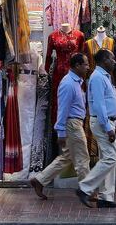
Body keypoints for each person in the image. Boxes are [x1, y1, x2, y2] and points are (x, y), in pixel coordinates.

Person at [29, 53, 90, 199]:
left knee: (67, 156)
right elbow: (63, 109)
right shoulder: (69, 83)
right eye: (85, 64)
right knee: (82, 158)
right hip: (72, 124)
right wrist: (61, 131)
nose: (88, 67)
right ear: (77, 66)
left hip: (74, 122)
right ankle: (87, 191)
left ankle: (40, 179)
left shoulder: (76, 82)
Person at [75, 49, 116, 208]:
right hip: (102, 123)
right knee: (111, 158)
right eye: (112, 58)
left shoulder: (105, 77)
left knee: (108, 158)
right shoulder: (97, 78)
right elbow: (99, 105)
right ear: (104, 60)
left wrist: (115, 125)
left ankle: (106, 197)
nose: (114, 61)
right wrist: (108, 128)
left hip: (108, 122)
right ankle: (85, 188)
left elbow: (108, 104)